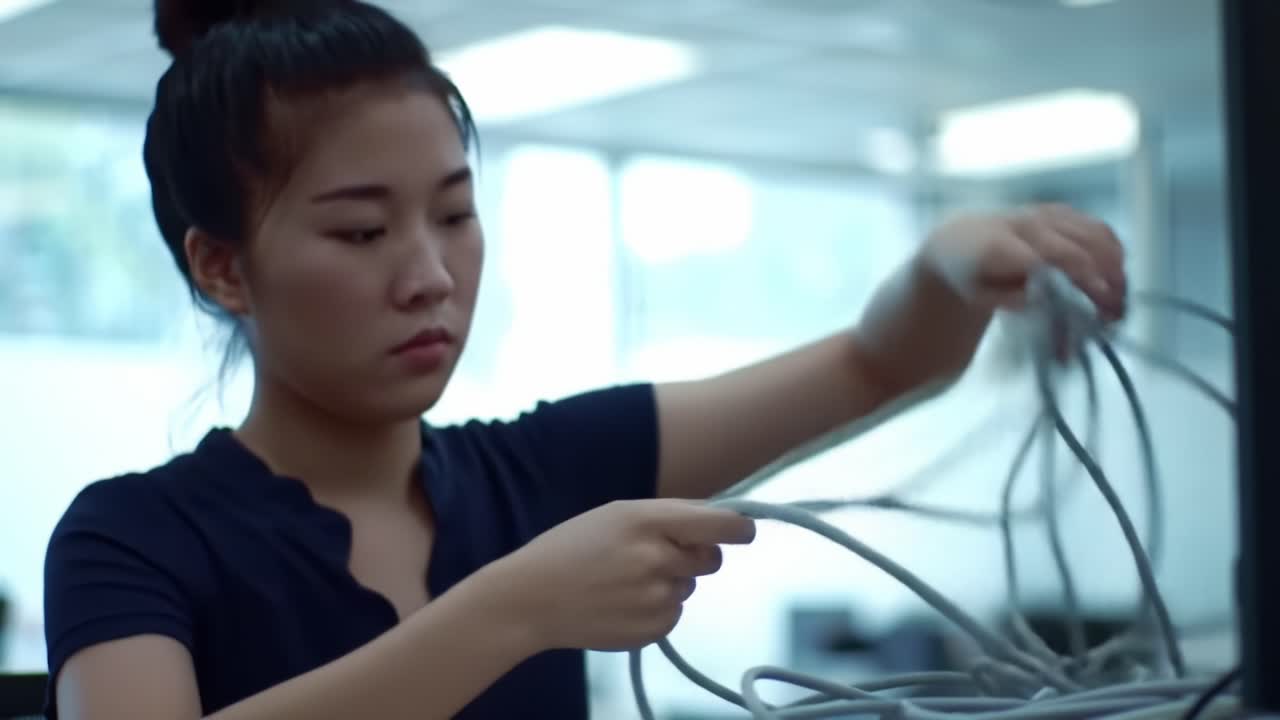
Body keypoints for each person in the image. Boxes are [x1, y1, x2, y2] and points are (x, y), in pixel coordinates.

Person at [40, 1, 1127, 718]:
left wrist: (941, 270)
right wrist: (514, 610)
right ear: (223, 267)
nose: (429, 275)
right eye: (362, 233)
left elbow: (871, 367)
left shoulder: (546, 472)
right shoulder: (131, 539)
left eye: (455, 216)